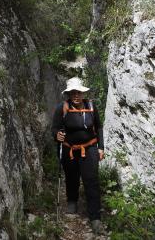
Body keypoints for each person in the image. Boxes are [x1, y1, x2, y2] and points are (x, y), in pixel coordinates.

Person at [51, 76, 105, 235]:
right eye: (72, 93)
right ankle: (72, 201)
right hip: (69, 150)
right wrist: (57, 136)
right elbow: (54, 129)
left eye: (78, 92)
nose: (76, 95)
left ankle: (95, 217)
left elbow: (99, 127)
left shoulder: (91, 106)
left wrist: (100, 147)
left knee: (92, 181)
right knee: (71, 177)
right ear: (68, 94)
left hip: (89, 149)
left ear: (83, 93)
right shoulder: (62, 108)